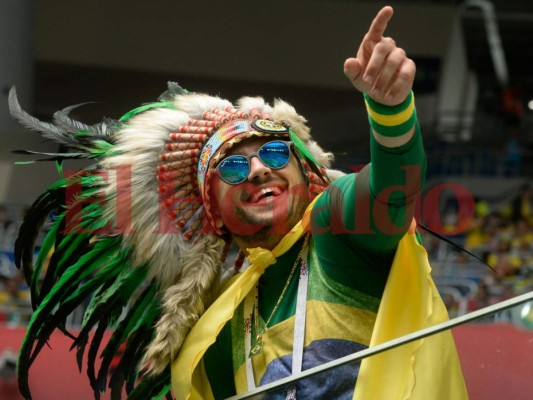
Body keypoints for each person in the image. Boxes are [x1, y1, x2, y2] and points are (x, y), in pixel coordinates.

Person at [10, 6, 467, 400]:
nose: (257, 170)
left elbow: (392, 189)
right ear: (214, 211)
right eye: (231, 168)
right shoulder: (213, 332)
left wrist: (391, 112)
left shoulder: (336, 231)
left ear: (304, 173)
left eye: (272, 152)